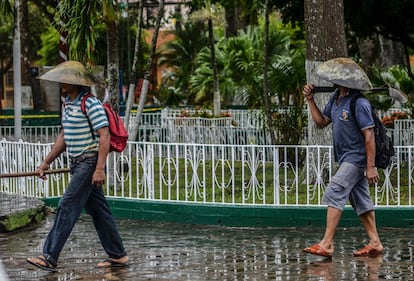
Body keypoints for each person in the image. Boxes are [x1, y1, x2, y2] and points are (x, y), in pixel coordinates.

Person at [26, 61, 128, 271]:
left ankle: (49, 256)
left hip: (88, 163)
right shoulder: (67, 104)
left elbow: (104, 136)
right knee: (99, 211)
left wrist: (99, 169)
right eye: (61, 80)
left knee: (67, 205)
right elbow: (64, 136)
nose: (62, 83)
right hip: (77, 163)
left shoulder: (90, 104)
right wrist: (46, 161)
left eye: (67, 80)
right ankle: (118, 255)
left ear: (78, 83)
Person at [302, 82, 383, 258]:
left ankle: (327, 244)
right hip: (345, 157)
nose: (333, 81)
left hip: (357, 157)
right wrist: (310, 100)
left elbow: (369, 134)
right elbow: (321, 122)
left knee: (335, 190)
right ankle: (375, 242)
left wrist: (371, 167)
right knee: (360, 200)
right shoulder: (336, 98)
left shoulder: (359, 103)